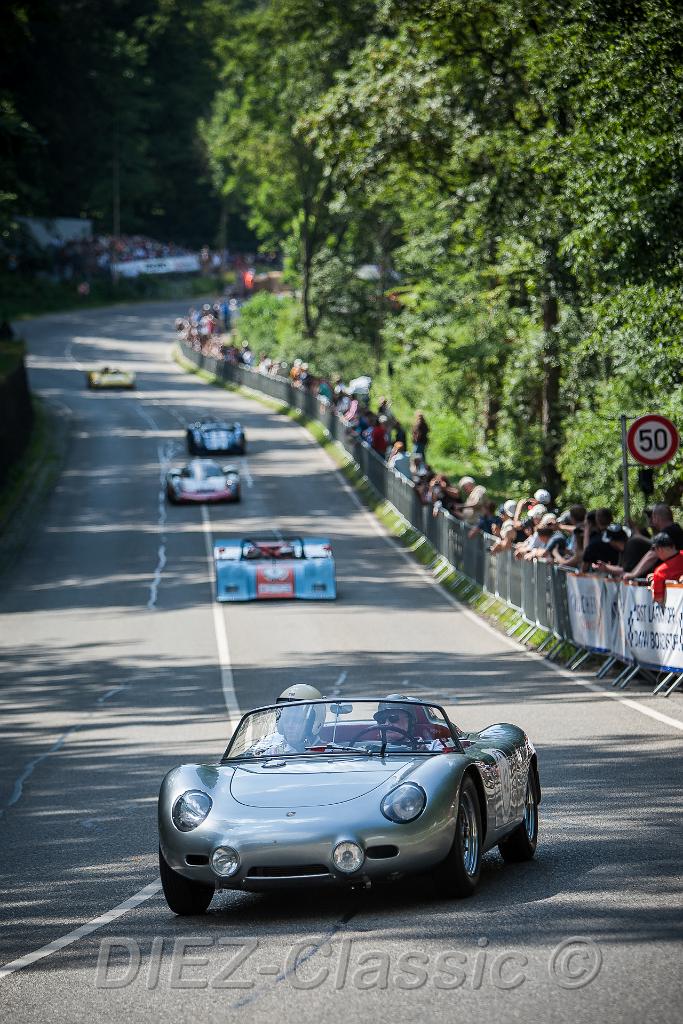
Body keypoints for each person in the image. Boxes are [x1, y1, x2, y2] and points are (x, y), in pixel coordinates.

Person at [624, 504, 683, 581]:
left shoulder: (666, 533)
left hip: (670, 577)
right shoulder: (676, 529)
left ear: (656, 518)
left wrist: (633, 574)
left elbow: (652, 556)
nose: (650, 520)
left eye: (652, 517)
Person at [649, 533, 683, 605]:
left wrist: (652, 587)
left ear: (659, 549)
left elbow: (658, 600)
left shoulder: (660, 572)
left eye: (654, 549)